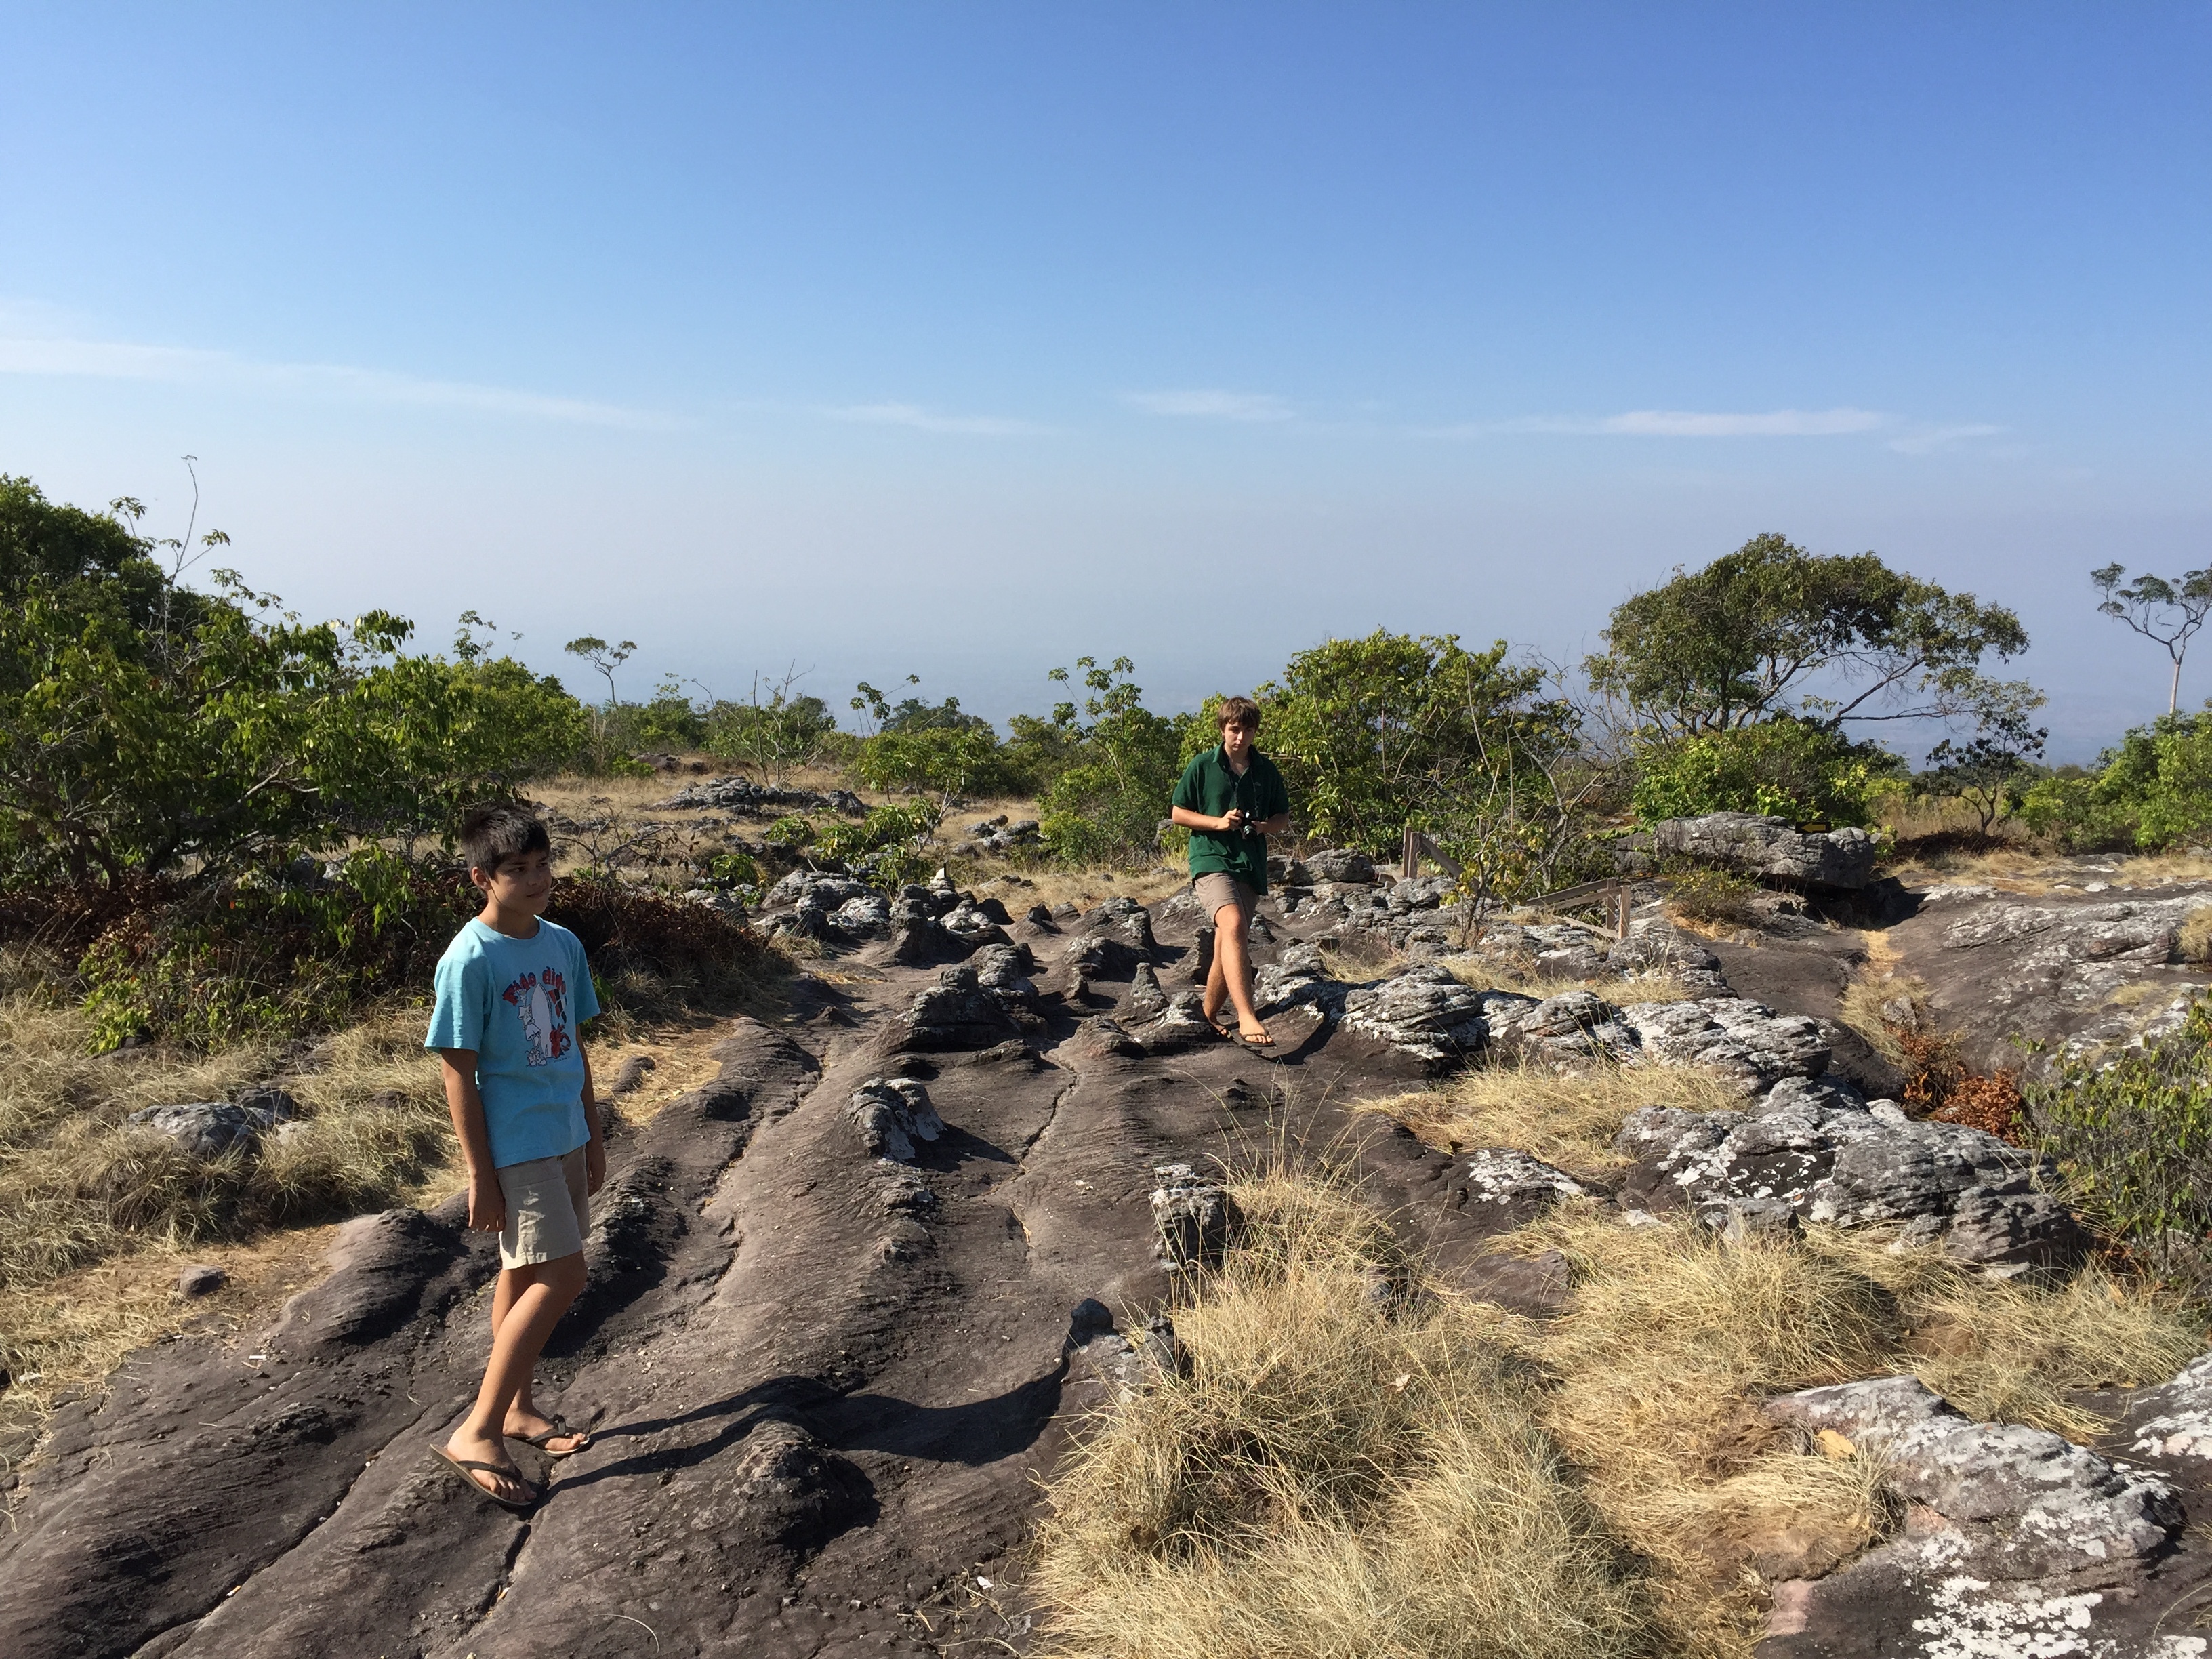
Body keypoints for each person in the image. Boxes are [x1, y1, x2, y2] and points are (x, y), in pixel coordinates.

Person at [425, 804, 606, 1510]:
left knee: (525, 1270)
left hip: (562, 1131)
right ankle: (477, 1431)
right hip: (516, 1145)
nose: (536, 881)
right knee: (564, 1276)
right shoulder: (470, 958)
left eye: (542, 866)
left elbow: (576, 1044)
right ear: (481, 878)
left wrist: (592, 1134)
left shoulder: (561, 944)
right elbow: (456, 1073)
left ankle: (517, 1410)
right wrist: (481, 1175)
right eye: (517, 871)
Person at [1170, 695, 1292, 1047]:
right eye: (1234, 729)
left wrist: (1264, 827)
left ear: (1255, 732)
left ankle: (1207, 1015)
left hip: (1248, 862)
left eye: (1247, 730)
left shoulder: (1266, 770)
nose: (1240, 737)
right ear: (1223, 729)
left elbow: (1282, 816)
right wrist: (1219, 823)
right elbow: (1179, 812)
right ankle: (1246, 1014)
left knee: (1228, 937)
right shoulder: (1203, 766)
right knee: (1235, 924)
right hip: (1209, 857)